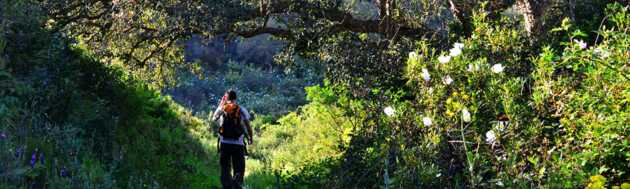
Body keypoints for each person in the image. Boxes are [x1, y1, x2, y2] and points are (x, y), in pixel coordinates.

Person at [212, 90, 253, 189]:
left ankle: (227, 186)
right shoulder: (241, 109)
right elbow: (248, 125)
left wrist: (221, 105)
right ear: (235, 98)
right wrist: (250, 137)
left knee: (225, 167)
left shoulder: (222, 108)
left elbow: (214, 119)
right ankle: (237, 185)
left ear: (226, 98)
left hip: (224, 143)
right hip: (238, 144)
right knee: (239, 168)